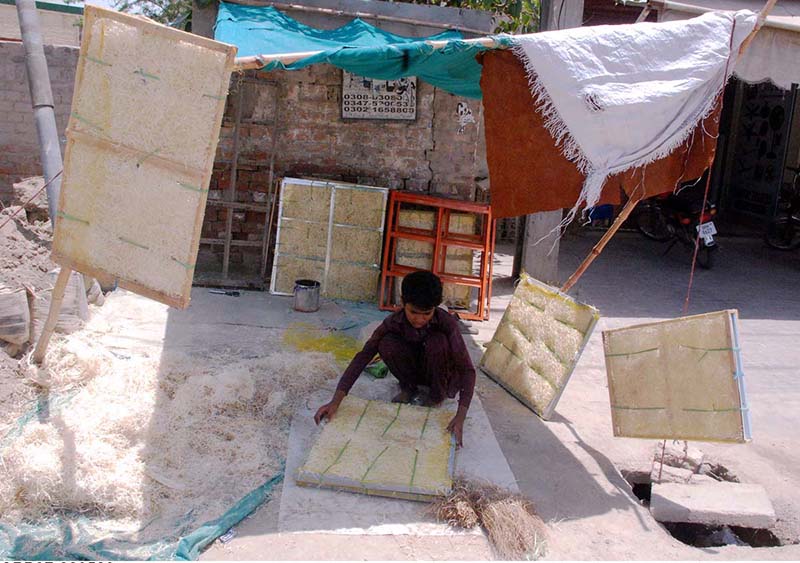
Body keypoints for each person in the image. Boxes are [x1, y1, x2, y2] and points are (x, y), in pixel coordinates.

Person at [313, 271, 476, 446]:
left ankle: (436, 396)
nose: (420, 319)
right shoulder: (393, 322)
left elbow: (467, 370)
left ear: (435, 308)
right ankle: (409, 388)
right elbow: (363, 357)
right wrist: (335, 401)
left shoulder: (447, 324)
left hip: (441, 375)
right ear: (402, 302)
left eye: (426, 313)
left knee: (437, 342)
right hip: (416, 370)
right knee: (386, 343)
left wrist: (461, 416)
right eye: (413, 312)